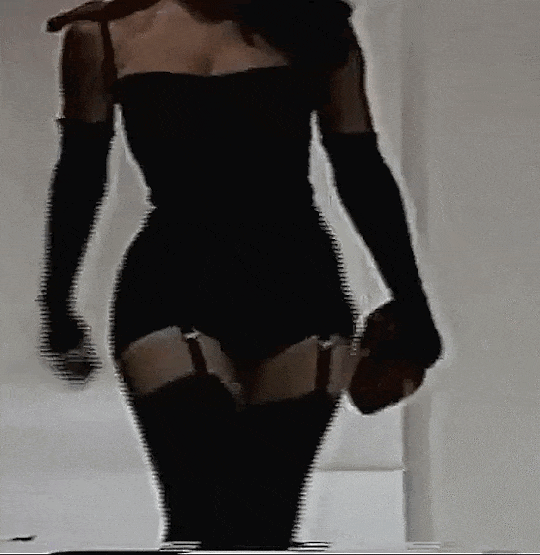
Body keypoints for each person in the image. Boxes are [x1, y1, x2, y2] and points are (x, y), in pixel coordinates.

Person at [38, 0, 443, 550]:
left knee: (262, 529)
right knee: (198, 517)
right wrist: (56, 304)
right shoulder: (101, 34)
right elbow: (80, 174)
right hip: (173, 286)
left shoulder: (318, 28)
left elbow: (360, 170)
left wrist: (412, 302)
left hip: (297, 290)